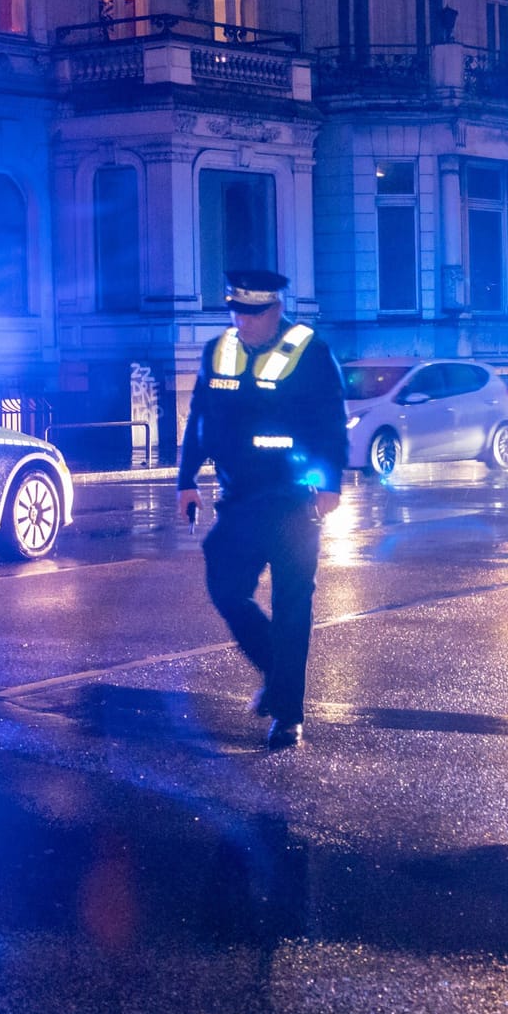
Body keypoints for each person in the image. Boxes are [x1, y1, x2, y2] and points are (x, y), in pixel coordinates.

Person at [176, 269, 348, 749]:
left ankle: (288, 716)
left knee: (293, 607)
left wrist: (330, 482)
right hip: (240, 499)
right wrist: (185, 479)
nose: (242, 320)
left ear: (274, 310)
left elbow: (332, 421)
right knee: (226, 589)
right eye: (236, 311)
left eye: (252, 313)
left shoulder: (309, 350)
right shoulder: (218, 350)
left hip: (293, 500)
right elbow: (199, 419)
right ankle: (279, 674)